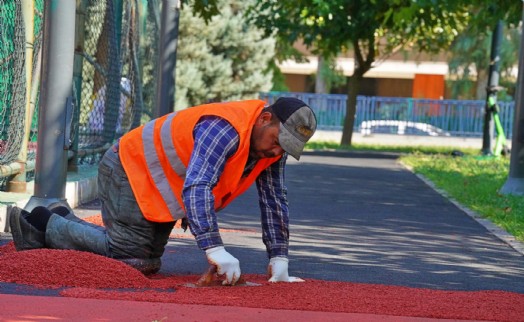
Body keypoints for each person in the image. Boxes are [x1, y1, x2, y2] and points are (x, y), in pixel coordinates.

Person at [9, 97, 317, 285]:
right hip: (129, 168)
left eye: (287, 147)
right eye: (278, 140)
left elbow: (275, 199)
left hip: (156, 185)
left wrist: (279, 258)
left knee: (147, 260)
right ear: (265, 118)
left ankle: (59, 217)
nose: (278, 151)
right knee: (133, 259)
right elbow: (198, 186)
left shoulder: (271, 149)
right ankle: (38, 224)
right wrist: (214, 249)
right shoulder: (225, 129)